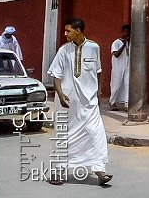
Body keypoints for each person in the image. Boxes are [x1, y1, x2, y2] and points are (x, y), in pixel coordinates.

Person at [47, 18, 112, 186]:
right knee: (64, 135)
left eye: (68, 31)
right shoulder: (63, 51)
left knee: (95, 133)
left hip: (89, 102)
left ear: (78, 31)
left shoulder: (93, 47)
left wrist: (97, 93)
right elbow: (56, 74)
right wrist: (60, 94)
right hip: (68, 102)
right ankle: (58, 171)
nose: (65, 34)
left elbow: (98, 71)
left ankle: (99, 171)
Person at [109, 24, 130, 111]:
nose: (127, 34)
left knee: (127, 84)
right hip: (118, 67)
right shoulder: (117, 42)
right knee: (116, 85)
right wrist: (124, 44)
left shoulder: (130, 43)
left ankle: (127, 104)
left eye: (129, 33)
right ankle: (112, 102)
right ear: (122, 32)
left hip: (127, 66)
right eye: (126, 32)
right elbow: (116, 54)